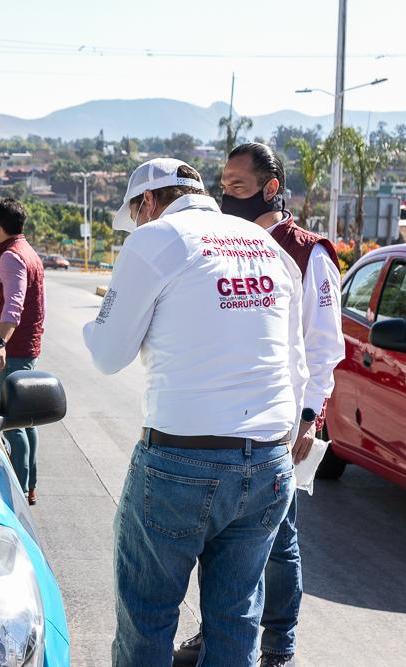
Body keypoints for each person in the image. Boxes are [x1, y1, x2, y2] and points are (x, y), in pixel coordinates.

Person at [84, 158, 308, 666]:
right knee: (236, 624)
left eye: (137, 215)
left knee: (147, 618)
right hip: (269, 463)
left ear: (146, 203)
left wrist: (95, 328)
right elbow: (295, 361)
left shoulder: (156, 239)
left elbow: (106, 354)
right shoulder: (265, 246)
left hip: (181, 465)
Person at [173, 144, 345, 667]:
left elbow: (324, 345)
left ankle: (276, 647)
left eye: (238, 187)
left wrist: (309, 419)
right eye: (221, 186)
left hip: (281, 422)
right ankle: (222, 633)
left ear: (271, 188)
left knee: (278, 540)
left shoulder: (308, 251)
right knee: (223, 540)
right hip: (223, 418)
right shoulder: (221, 243)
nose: (225, 197)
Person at [0, 197, 45, 505]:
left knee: (12, 424)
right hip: (27, 347)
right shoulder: (28, 251)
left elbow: (13, 306)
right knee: (26, 421)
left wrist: (0, 343)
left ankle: (19, 491)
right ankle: (31, 484)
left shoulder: (11, 257)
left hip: (14, 350)